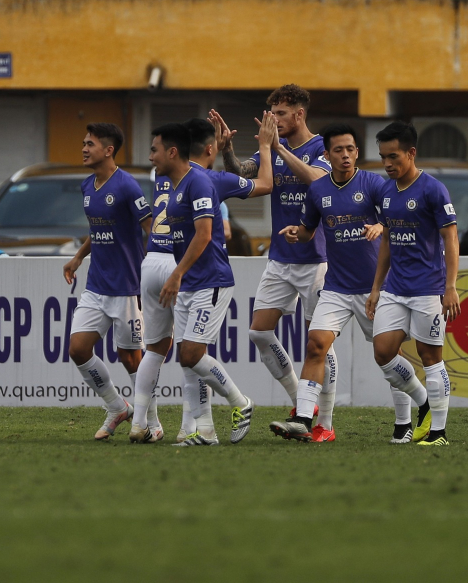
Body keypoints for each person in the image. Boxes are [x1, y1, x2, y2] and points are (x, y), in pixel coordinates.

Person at [269, 125, 418, 444]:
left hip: (375, 289)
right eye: (339, 150)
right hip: (336, 287)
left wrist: (380, 225)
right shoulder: (318, 190)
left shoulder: (374, 184)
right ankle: (307, 421)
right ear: (327, 154)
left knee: (389, 356)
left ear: (357, 153)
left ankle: (405, 421)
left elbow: (395, 220)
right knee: (315, 345)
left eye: (351, 149)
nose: (346, 155)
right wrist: (298, 232)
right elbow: (309, 230)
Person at [131, 117, 273, 444]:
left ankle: (241, 402)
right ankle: (204, 430)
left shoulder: (201, 182)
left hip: (210, 280)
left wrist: (177, 274)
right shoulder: (181, 181)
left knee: (192, 354)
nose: (150, 157)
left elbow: (206, 234)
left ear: (173, 151)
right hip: (188, 282)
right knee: (188, 357)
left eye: (154, 150)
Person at [219, 85, 337, 420]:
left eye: (281, 113)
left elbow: (319, 182)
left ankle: (325, 421)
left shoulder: (320, 148)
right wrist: (228, 150)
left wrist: (277, 150)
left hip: (317, 260)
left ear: (300, 114)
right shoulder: (274, 147)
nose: (274, 119)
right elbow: (240, 176)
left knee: (319, 343)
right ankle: (301, 397)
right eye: (271, 113)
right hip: (280, 258)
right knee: (258, 331)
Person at [366, 121, 461, 448]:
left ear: (411, 153)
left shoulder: (433, 189)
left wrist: (450, 286)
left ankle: (439, 433)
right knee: (383, 353)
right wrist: (377, 287)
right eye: (383, 158)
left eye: (394, 157)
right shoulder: (387, 193)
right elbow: (388, 242)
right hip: (394, 288)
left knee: (430, 356)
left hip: (427, 289)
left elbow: (451, 236)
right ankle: (424, 403)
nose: (388, 164)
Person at [61, 123, 152, 440]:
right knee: (78, 348)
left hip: (126, 286)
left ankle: (150, 422)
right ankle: (117, 406)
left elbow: (151, 228)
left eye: (90, 144)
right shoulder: (88, 186)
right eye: (83, 143)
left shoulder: (128, 187)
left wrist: (157, 268)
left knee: (131, 358)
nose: (84, 149)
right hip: (96, 285)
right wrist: (78, 257)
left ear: (109, 150)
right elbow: (99, 230)